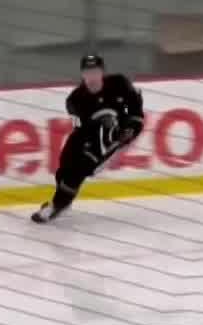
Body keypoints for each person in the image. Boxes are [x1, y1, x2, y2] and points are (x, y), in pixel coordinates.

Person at [32, 54, 145, 224]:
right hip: (87, 133)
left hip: (112, 140)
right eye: (88, 71)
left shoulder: (119, 83)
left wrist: (132, 128)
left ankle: (57, 205)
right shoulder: (75, 99)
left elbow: (136, 107)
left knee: (79, 169)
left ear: (102, 71)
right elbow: (84, 128)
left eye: (95, 71)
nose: (92, 75)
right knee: (65, 163)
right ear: (82, 74)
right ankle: (65, 201)